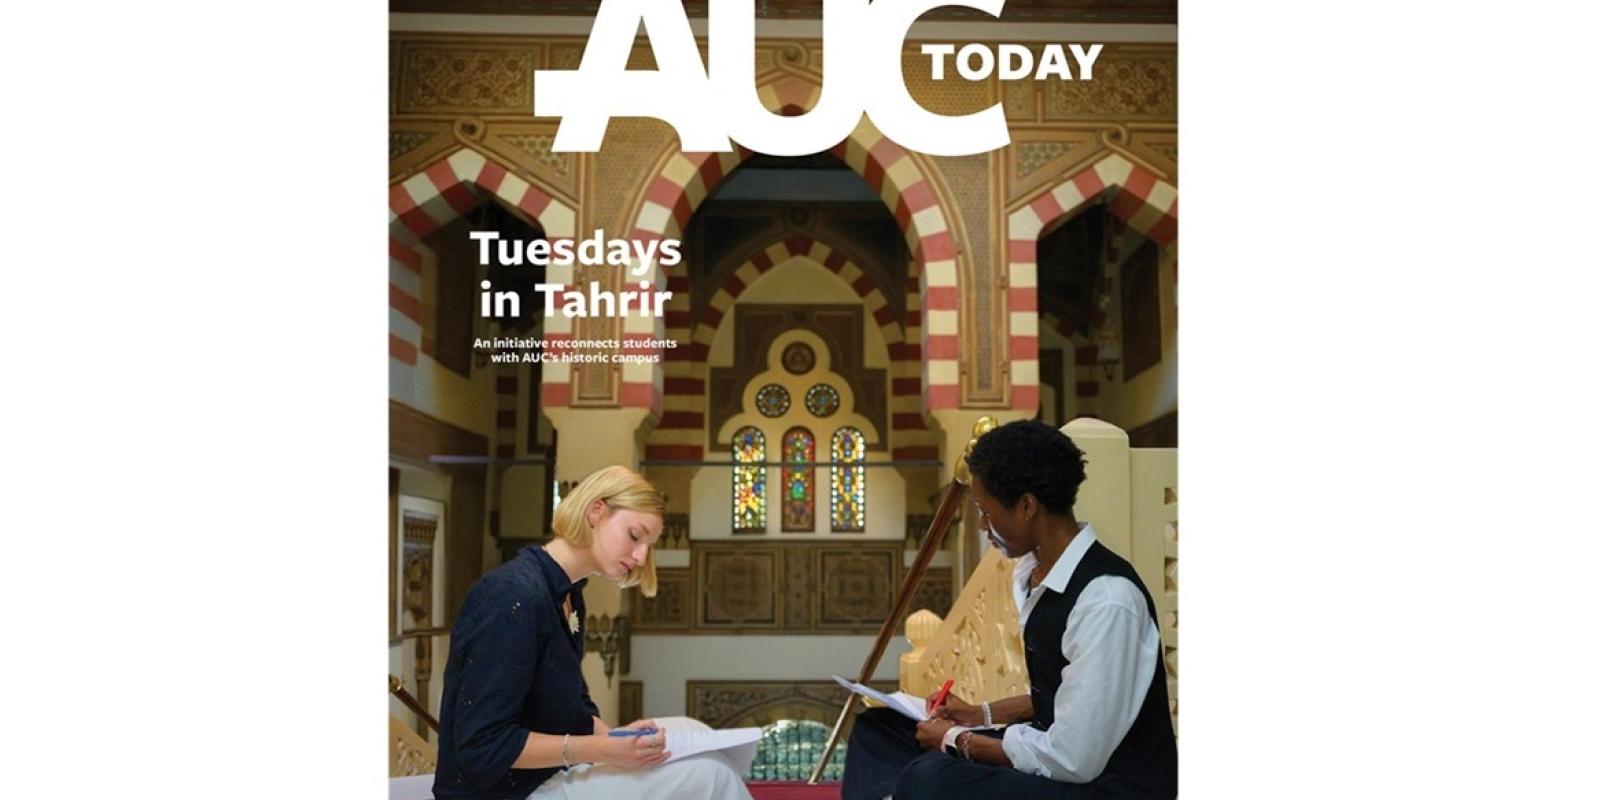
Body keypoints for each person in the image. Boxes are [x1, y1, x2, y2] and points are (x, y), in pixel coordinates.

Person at [841, 420, 1177, 799]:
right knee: (878, 729)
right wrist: (979, 715)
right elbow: (1065, 697)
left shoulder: (1107, 601)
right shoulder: (1036, 574)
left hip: (1108, 787)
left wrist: (956, 739)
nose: (982, 525)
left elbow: (1073, 759)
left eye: (985, 512)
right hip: (1062, 759)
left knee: (930, 778)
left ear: (1027, 506)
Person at [432, 465, 752, 800]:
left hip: (547, 775)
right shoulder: (513, 595)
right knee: (709, 774)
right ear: (596, 511)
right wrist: (604, 750)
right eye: (635, 536)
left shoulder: (569, 595)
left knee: (691, 730)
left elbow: (571, 709)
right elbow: (482, 746)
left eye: (649, 545)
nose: (641, 556)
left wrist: (618, 739)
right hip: (505, 792)